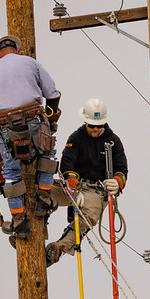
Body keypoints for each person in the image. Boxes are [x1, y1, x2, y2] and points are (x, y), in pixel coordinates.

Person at [0, 36, 61, 239]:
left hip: (4, 124)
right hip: (33, 118)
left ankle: (18, 220)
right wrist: (50, 117)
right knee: (46, 154)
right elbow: (52, 93)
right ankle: (43, 199)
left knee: (10, 171)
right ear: (17, 49)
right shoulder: (30, 62)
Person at [45, 99, 128, 266]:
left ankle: (58, 249)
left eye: (99, 125)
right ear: (85, 122)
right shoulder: (76, 138)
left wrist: (118, 182)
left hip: (95, 190)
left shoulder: (113, 142)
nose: (95, 129)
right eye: (92, 126)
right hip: (73, 185)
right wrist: (72, 183)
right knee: (44, 194)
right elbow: (67, 163)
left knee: (88, 215)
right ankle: (28, 229)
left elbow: (122, 167)